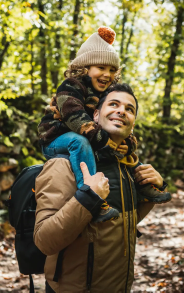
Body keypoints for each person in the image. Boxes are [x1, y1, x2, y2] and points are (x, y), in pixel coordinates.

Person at [34, 83, 170, 292]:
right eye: (113, 104)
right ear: (95, 115)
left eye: (129, 109)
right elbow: (45, 241)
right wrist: (88, 197)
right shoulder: (64, 165)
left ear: (133, 123)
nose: (121, 111)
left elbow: (120, 224)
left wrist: (153, 190)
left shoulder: (125, 165)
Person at [37, 26, 169, 223]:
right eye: (101, 68)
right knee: (80, 142)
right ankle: (92, 197)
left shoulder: (105, 95)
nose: (107, 74)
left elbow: (114, 125)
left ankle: (144, 184)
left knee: (115, 147)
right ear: (85, 68)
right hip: (57, 138)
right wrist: (103, 139)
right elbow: (75, 116)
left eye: (112, 70)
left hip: (86, 136)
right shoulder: (72, 86)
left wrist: (127, 144)